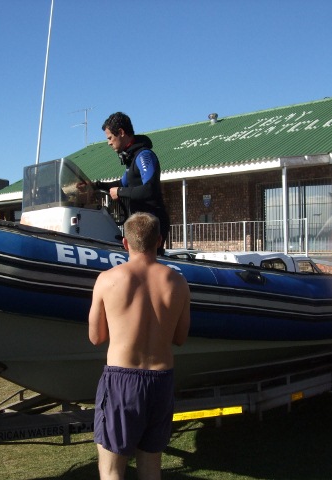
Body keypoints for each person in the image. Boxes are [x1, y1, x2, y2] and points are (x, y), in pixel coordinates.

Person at [88, 212, 191, 480]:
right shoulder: (178, 282)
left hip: (122, 380)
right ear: (159, 241)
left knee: (112, 469)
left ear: (125, 243)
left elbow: (96, 337)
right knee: (150, 466)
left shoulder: (107, 279)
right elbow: (180, 338)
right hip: (161, 380)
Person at [96, 112, 170, 254]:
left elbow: (150, 189)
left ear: (121, 132)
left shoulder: (144, 155)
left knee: (144, 264)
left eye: (110, 138)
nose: (109, 143)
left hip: (151, 224)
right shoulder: (132, 157)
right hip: (139, 224)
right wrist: (96, 186)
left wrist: (119, 192)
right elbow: (121, 183)